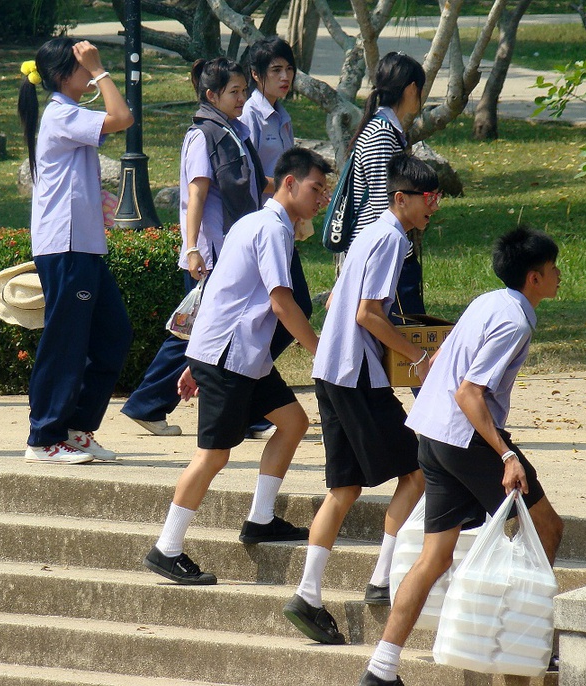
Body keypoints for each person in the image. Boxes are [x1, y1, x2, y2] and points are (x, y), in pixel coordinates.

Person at [358, 226, 565, 686]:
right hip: (465, 438)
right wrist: (507, 454)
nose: (558, 277)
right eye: (553, 270)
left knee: (435, 556)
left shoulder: (488, 300)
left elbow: (444, 368)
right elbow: (469, 393)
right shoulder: (514, 320)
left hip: (431, 437)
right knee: (545, 528)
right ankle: (522, 645)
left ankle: (381, 669)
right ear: (534, 278)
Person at [143, 147, 329, 585]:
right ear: (289, 183)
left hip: (240, 356)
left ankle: (262, 519)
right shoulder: (270, 230)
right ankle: (166, 548)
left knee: (293, 422)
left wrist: (196, 359)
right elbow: (282, 302)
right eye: (315, 187)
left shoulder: (258, 223)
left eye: (323, 189)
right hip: (230, 356)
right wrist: (321, 351)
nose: (321, 197)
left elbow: (220, 291)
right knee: (213, 455)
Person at [283, 153, 439, 644]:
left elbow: (336, 300)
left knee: (344, 487)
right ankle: (382, 580)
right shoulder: (392, 238)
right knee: (418, 469)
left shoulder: (370, 231)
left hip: (331, 371)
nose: (432, 207)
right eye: (426, 199)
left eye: (435, 199)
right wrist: (418, 355)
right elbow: (367, 314)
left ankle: (308, 595)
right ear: (401, 199)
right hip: (355, 376)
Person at [120, 57, 264, 437]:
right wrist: (193, 248)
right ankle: (148, 404)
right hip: (211, 253)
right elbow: (197, 193)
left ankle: (245, 411)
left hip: (228, 249)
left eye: (243, 91)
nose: (241, 98)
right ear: (211, 95)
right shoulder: (204, 135)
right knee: (196, 334)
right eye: (234, 92)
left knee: (215, 331)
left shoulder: (232, 130)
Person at [17, 37, 134, 464]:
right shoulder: (60, 114)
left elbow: (115, 118)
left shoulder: (69, 113)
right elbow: (123, 117)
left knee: (113, 334)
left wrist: (95, 69)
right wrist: (101, 70)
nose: (90, 72)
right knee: (65, 342)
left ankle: (76, 427)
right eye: (82, 66)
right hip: (65, 246)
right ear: (65, 75)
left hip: (82, 246)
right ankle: (44, 438)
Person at [240, 36, 313, 439]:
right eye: (276, 71)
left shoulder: (282, 115)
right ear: (256, 75)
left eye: (289, 70)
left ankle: (250, 398)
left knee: (292, 308)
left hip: (283, 226)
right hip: (262, 228)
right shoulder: (250, 115)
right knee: (290, 307)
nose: (285, 78)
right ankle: (250, 401)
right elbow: (249, 177)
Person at [347, 52, 426, 321]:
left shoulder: (388, 130)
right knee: (404, 331)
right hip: (385, 252)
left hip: (389, 249)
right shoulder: (381, 133)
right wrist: (404, 249)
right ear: (412, 88)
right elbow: (385, 202)